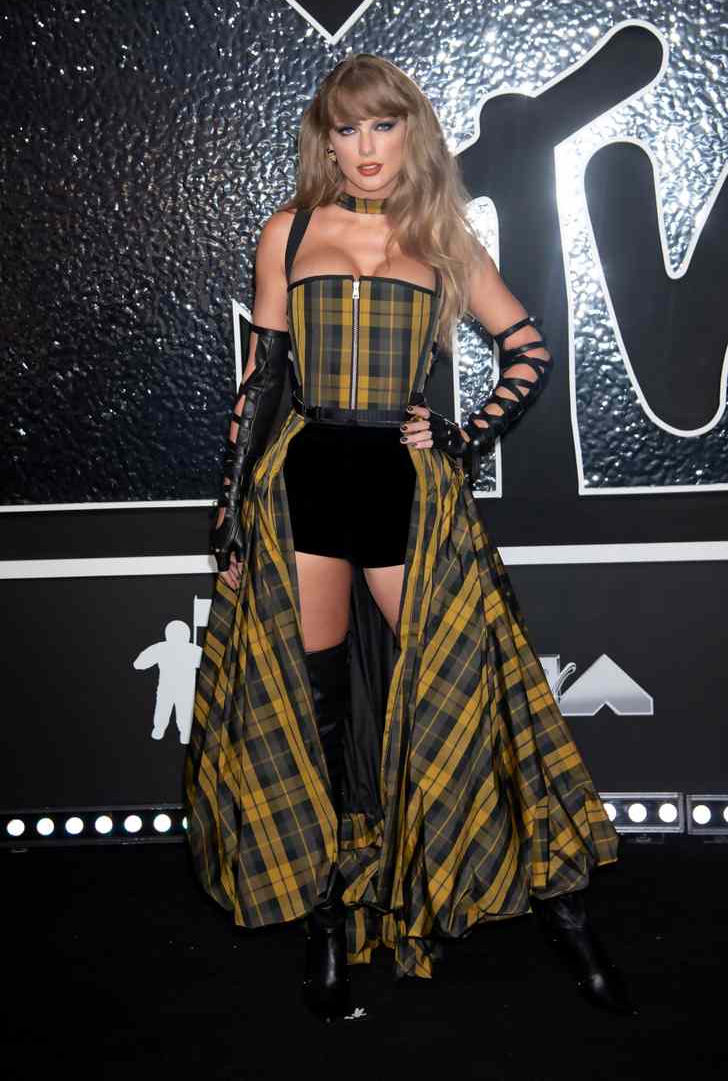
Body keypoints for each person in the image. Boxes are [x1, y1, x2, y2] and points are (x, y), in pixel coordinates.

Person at [185, 54, 637, 1025]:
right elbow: (261, 383)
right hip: (304, 484)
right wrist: (227, 515)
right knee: (315, 717)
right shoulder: (288, 231)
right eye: (345, 129)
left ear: (409, 133)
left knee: (470, 693)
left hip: (403, 488)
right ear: (326, 139)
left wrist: (465, 437)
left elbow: (528, 349)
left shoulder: (440, 236)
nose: (364, 148)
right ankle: (326, 926)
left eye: (381, 126)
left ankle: (562, 911)